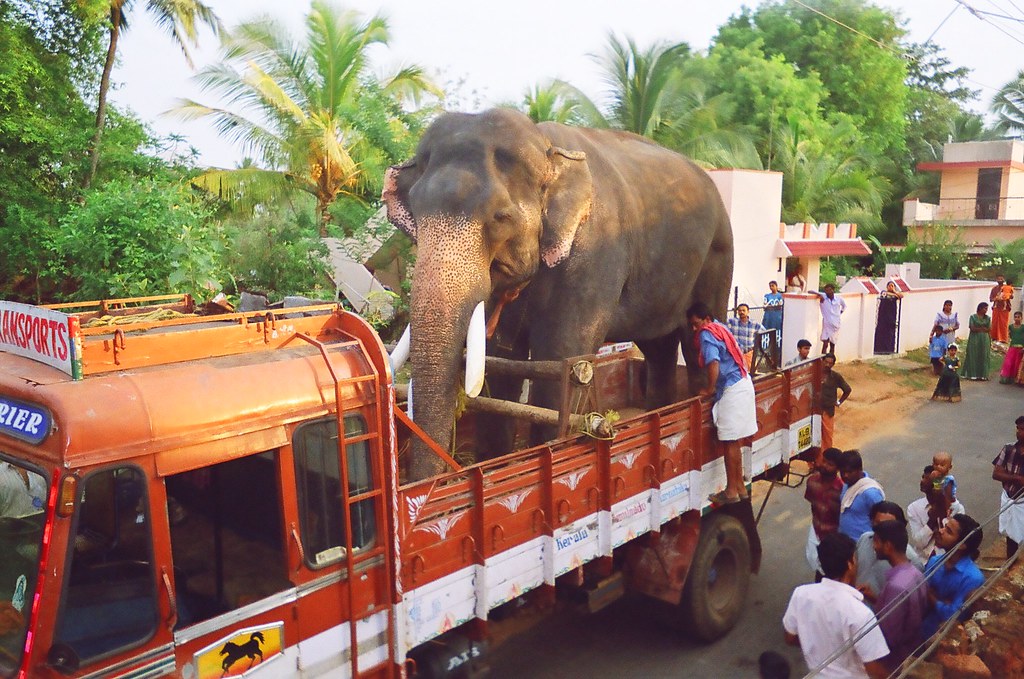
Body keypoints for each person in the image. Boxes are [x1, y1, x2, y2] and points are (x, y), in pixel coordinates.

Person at [782, 532, 890, 679]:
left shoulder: (801, 594)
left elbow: (790, 637)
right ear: (850, 563)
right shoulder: (860, 613)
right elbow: (875, 670)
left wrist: (816, 644)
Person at [687, 302, 758, 505]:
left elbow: (714, 363)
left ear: (706, 319)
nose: (695, 329)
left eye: (696, 324)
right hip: (744, 383)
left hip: (732, 389)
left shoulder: (707, 333)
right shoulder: (722, 327)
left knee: (729, 441)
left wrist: (709, 389)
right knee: (735, 441)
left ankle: (731, 490)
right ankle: (740, 487)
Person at [871, 520, 928, 673]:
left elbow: (889, 635)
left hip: (896, 661)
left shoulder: (896, 586)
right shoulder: (915, 572)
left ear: (888, 546)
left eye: (876, 541)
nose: (873, 547)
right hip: (912, 649)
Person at [921, 514, 984, 639]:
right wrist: (941, 601)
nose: (941, 531)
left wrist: (931, 596)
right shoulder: (935, 561)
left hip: (945, 641)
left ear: (962, 545)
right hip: (922, 629)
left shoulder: (973, 578)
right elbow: (920, 592)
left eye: (948, 531)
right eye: (945, 527)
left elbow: (952, 616)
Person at [854, 501, 925, 603]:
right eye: (878, 524)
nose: (882, 530)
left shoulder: (911, 559)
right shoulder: (864, 539)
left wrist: (875, 599)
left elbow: (906, 604)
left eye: (888, 525)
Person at [805, 447, 844, 579]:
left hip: (834, 534)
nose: (824, 466)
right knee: (816, 564)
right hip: (816, 529)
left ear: (838, 469)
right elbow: (812, 503)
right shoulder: (811, 482)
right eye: (824, 461)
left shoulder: (842, 489)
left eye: (830, 464)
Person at [993, 415, 1024, 558]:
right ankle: (1011, 562)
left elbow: (1002, 472)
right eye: (1017, 429)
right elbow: (996, 473)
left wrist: (1008, 476)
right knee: (1011, 534)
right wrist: (1018, 479)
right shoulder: (1009, 448)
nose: (1018, 432)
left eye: (1022, 429)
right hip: (1009, 498)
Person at [838, 450, 884, 541]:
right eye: (842, 472)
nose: (845, 475)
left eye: (849, 472)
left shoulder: (871, 493)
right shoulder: (847, 485)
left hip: (863, 544)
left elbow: (882, 520)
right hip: (845, 542)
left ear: (859, 470)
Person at [820, 354, 851, 452]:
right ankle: (815, 462)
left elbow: (847, 390)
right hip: (814, 410)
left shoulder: (836, 377)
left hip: (828, 411)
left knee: (827, 437)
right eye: (826, 362)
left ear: (833, 364)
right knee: (814, 437)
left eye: (830, 363)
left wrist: (839, 402)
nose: (827, 365)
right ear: (822, 361)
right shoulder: (814, 374)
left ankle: (826, 461)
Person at [726, 303, 767, 370]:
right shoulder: (732, 322)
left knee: (749, 374)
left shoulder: (755, 324)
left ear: (748, 312)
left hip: (748, 353)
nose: (741, 312)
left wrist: (757, 345)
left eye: (743, 310)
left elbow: (764, 332)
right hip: (735, 354)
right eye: (739, 311)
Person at [812, 284, 847, 355]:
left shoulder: (839, 299)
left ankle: (831, 360)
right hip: (827, 324)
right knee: (825, 344)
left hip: (836, 324)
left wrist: (840, 313)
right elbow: (810, 291)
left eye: (829, 290)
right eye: (826, 291)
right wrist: (819, 295)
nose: (828, 292)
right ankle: (822, 360)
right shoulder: (824, 297)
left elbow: (844, 306)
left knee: (832, 344)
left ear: (833, 290)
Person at [961, 302, 991, 380]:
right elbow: (972, 328)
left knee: (984, 355)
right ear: (980, 308)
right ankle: (972, 374)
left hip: (984, 340)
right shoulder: (973, 317)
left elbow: (989, 329)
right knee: (973, 354)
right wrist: (982, 329)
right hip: (974, 339)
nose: (986, 310)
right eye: (985, 308)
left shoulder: (987, 318)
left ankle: (983, 375)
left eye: (986, 309)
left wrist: (980, 329)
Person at [873, 281, 903, 354]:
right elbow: (885, 293)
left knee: (890, 335)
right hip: (883, 317)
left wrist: (894, 291)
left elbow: (901, 296)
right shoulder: (884, 293)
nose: (891, 287)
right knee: (881, 333)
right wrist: (893, 294)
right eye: (889, 286)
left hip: (891, 318)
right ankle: (879, 350)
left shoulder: (895, 294)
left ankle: (889, 350)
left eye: (892, 286)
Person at [999, 311, 1024, 384]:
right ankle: (1005, 379)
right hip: (1012, 347)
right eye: (1015, 317)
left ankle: (1016, 379)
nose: (1017, 319)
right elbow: (1010, 336)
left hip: (1020, 348)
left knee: (1017, 364)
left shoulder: (1023, 327)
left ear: (1021, 318)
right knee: (1008, 363)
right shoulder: (1011, 327)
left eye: (1018, 317)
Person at [990, 274, 1014, 344]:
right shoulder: (994, 289)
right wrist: (996, 298)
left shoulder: (1007, 287)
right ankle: (994, 337)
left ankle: (1003, 339)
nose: (1000, 280)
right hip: (996, 307)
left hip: (1005, 308)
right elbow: (991, 299)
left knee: (1003, 323)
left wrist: (1008, 296)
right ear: (996, 280)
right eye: (998, 278)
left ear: (1004, 280)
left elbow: (1011, 296)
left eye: (1001, 278)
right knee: (995, 322)